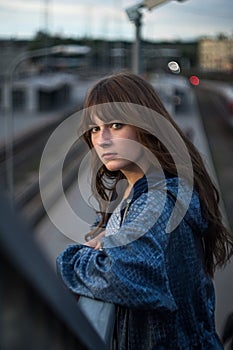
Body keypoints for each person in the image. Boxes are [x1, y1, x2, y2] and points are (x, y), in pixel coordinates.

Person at [56, 72, 233, 349]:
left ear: (145, 126)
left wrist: (72, 258)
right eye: (94, 128)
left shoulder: (160, 200)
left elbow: (122, 274)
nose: (101, 140)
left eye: (115, 125)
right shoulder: (134, 190)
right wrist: (108, 235)